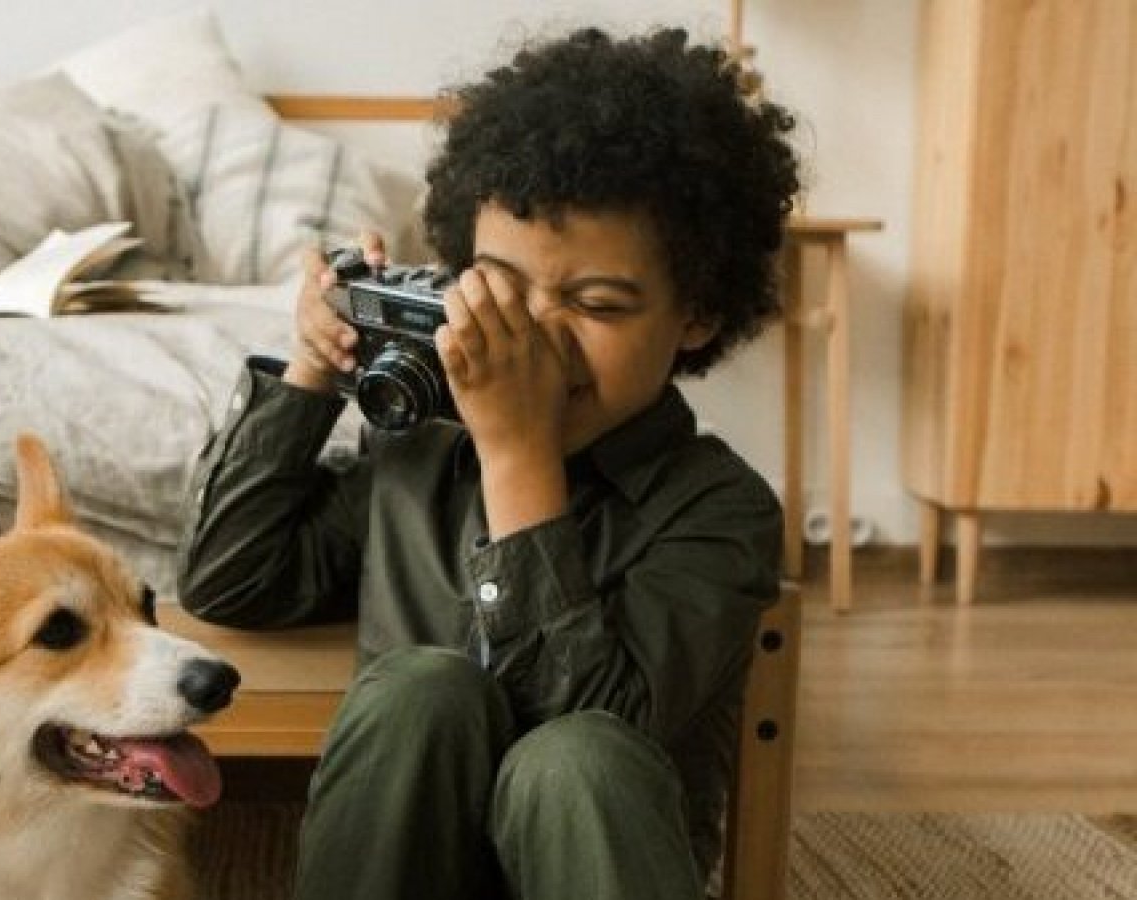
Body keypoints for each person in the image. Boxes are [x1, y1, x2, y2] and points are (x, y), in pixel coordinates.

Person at [176, 24, 800, 900]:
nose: (538, 332)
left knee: (576, 754)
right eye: (503, 288)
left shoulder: (720, 511)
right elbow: (230, 582)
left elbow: (591, 721)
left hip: (595, 866)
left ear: (696, 314)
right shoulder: (421, 449)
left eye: (594, 303)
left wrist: (518, 456)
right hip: (406, 863)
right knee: (424, 689)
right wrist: (314, 371)